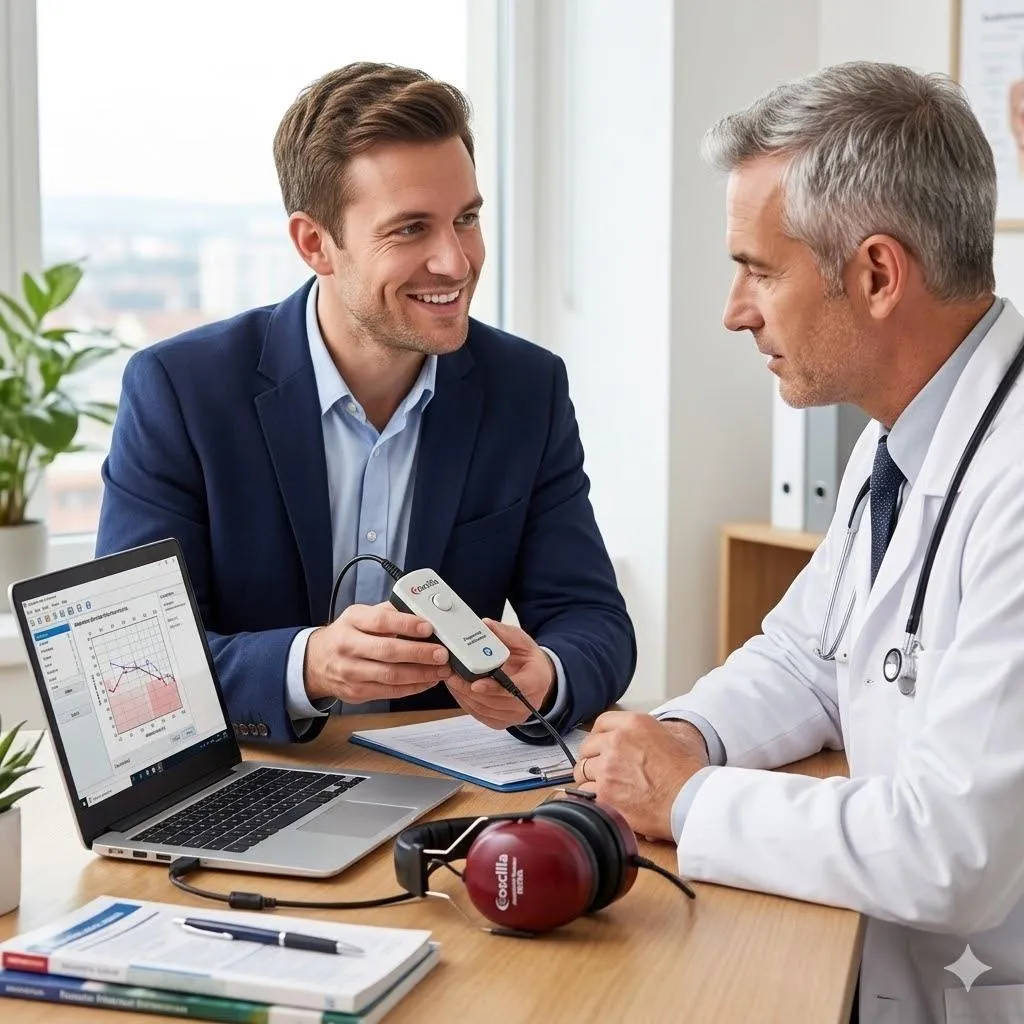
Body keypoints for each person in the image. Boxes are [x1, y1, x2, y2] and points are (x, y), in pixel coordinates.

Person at [573, 61, 1024, 1024]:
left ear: (875, 274)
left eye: (757, 269)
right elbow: (809, 656)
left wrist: (688, 801)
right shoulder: (898, 438)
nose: (735, 311)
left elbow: (954, 855)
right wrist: (680, 738)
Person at [95, 62, 635, 747]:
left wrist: (547, 676)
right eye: (411, 229)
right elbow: (129, 667)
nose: (456, 261)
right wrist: (308, 665)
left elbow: (594, 621)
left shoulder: (526, 389)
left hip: (446, 795)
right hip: (262, 785)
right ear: (315, 243)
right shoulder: (180, 391)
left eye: (465, 219)